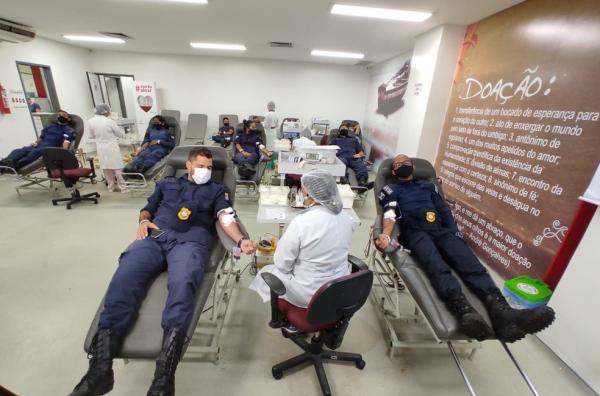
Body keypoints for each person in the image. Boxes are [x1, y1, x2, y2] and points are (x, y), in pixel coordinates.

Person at [69, 147, 256, 396]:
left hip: (190, 243)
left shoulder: (215, 190)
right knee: (124, 278)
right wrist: (144, 221)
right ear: (188, 166)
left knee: (183, 284)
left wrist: (241, 239)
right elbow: (147, 208)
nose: (206, 171)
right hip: (156, 237)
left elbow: (225, 217)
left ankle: (164, 376)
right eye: (201, 166)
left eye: (210, 168)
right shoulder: (166, 183)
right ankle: (100, 368)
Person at [375, 154, 555, 343]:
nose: (402, 166)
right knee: (436, 266)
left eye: (406, 163)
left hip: (441, 231)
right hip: (415, 233)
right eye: (398, 164)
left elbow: (443, 210)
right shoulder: (391, 189)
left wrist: (454, 233)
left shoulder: (428, 186)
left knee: (471, 264)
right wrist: (386, 235)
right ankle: (465, 311)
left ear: (412, 167)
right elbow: (389, 214)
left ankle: (504, 315)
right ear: (393, 171)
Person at [250, 169, 354, 309]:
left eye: (303, 193)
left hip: (309, 294)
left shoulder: (302, 222)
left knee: (268, 271)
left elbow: (282, 264)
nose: (302, 196)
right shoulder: (346, 218)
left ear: (312, 196)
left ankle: (286, 312)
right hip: (338, 289)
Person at [0, 110, 75, 171]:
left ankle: (18, 164)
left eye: (64, 115)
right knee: (19, 150)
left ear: (68, 119)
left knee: (35, 152)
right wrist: (35, 143)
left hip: (50, 148)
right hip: (40, 145)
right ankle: (5, 162)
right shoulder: (50, 127)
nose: (61, 116)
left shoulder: (68, 130)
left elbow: (66, 141)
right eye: (59, 115)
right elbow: (41, 137)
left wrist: (63, 152)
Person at [87, 104, 129, 193]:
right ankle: (123, 188)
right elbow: (120, 134)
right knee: (118, 168)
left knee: (106, 168)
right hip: (111, 147)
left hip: (100, 148)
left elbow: (91, 136)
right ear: (106, 111)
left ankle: (111, 187)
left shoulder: (90, 121)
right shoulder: (109, 121)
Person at [330, 122, 373, 190]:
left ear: (348, 131)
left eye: (345, 128)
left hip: (353, 157)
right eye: (342, 128)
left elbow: (361, 151)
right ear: (339, 131)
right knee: (341, 164)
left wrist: (359, 155)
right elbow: (330, 150)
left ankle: (362, 183)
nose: (344, 129)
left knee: (360, 165)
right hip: (342, 157)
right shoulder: (335, 140)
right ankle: (346, 183)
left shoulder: (354, 140)